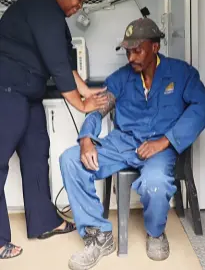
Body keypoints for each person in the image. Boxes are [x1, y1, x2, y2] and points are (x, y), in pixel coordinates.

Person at [60, 17, 205, 270]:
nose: (131, 58)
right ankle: (99, 235)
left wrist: (166, 140)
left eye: (137, 50)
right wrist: (86, 138)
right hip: (122, 144)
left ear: (155, 48)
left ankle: (155, 232)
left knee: (155, 183)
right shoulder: (121, 78)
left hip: (159, 148)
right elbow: (98, 108)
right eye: (128, 51)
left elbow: (201, 107)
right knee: (70, 159)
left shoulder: (181, 74)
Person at [0, 0, 108, 259]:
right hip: (6, 91)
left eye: (84, 1)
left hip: (28, 94)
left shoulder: (54, 15)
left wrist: (89, 91)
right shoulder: (42, 8)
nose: (79, 7)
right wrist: (81, 104)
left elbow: (67, 60)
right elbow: (58, 67)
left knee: (36, 155)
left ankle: (44, 222)